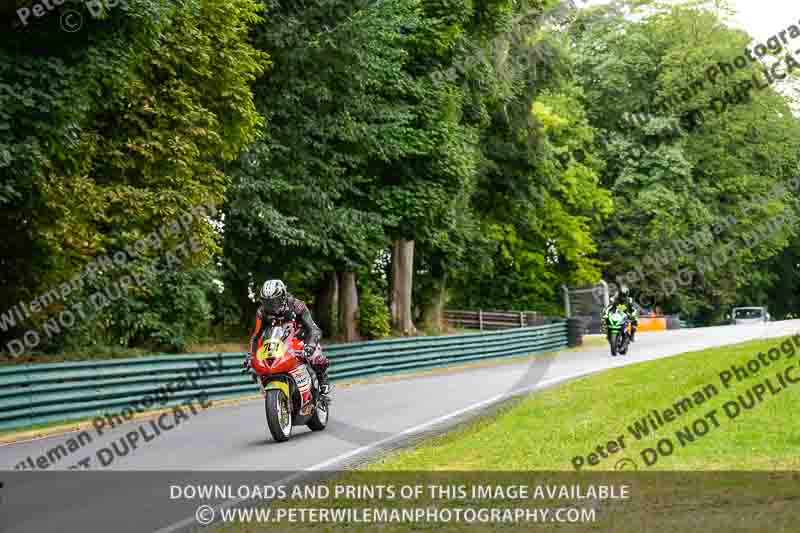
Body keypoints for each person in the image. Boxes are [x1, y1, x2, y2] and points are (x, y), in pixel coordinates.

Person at [244, 279, 331, 395]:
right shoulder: (262, 312)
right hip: (277, 343)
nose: (271, 306)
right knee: (257, 367)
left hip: (301, 339)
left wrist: (310, 346)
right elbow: (256, 336)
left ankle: (322, 379)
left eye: (274, 301)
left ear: (283, 297)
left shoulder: (297, 306)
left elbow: (313, 329)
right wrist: (250, 355)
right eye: (267, 302)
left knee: (316, 359)